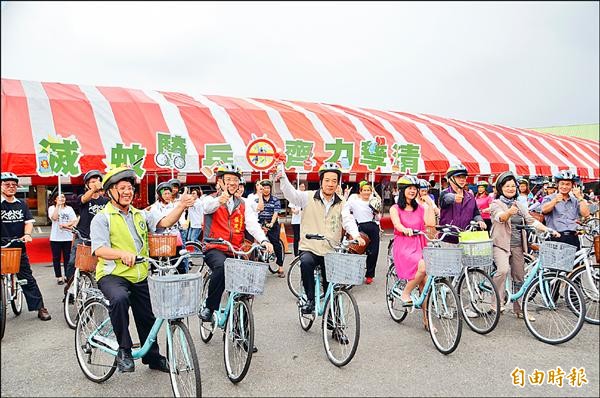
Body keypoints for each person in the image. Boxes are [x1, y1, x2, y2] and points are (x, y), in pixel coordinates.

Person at [90, 166, 195, 373]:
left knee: (149, 315)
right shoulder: (102, 218)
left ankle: (152, 357)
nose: (128, 191)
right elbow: (99, 249)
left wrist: (181, 206)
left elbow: (164, 223)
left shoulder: (140, 215)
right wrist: (121, 254)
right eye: (122, 188)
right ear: (111, 191)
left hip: (140, 274)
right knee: (119, 299)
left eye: (130, 187)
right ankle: (124, 351)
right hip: (113, 274)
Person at [275, 161, 365, 319]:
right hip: (310, 247)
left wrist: (356, 235)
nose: (331, 184)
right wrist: (282, 176)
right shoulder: (307, 197)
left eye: (334, 181)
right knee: (307, 263)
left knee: (332, 285)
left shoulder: (341, 202)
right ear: (321, 181)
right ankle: (309, 299)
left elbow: (348, 219)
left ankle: (334, 322)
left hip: (331, 250)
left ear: (338, 183)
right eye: (327, 180)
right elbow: (291, 194)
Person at [199, 164, 274, 324]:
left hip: (236, 249)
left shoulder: (243, 203)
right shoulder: (210, 199)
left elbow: (252, 224)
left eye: (235, 180)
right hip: (214, 247)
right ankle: (209, 307)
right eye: (228, 180)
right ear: (219, 182)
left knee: (245, 288)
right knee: (221, 267)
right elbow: (207, 208)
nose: (232, 183)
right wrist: (220, 200)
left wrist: (264, 240)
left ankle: (245, 334)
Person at [490, 171, 558, 319]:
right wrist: (508, 212)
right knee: (502, 270)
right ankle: (496, 302)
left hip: (517, 245)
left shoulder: (519, 204)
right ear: (501, 188)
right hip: (500, 244)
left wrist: (548, 229)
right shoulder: (496, 204)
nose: (511, 189)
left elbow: (530, 220)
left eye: (513, 186)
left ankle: (519, 309)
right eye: (507, 186)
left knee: (519, 277)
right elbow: (499, 218)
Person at [1, 171, 51, 320]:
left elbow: (28, 222)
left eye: (14, 185)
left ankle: (40, 307)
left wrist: (27, 235)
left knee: (27, 278)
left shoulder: (21, 204)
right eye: (7, 184)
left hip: (17, 246)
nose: (11, 187)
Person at [389, 175, 436, 330]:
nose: (412, 191)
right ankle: (406, 292)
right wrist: (405, 229)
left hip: (420, 243)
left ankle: (427, 319)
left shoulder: (421, 208)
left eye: (415, 189)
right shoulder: (395, 208)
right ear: (402, 190)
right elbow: (397, 224)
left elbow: (430, 225)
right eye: (409, 188)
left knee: (425, 283)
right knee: (423, 267)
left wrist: (429, 204)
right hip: (404, 245)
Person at [65, 170, 109, 284]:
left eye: (98, 181)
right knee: (73, 263)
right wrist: (94, 188)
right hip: (82, 237)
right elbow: (84, 198)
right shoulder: (83, 198)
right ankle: (70, 288)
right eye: (92, 182)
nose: (95, 183)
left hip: (99, 238)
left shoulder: (106, 201)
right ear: (87, 185)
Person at [541, 170, 590, 250]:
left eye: (568, 184)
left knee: (575, 262)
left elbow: (586, 214)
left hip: (572, 237)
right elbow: (544, 210)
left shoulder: (575, 200)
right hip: (555, 237)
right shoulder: (549, 198)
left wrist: (580, 197)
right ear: (557, 184)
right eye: (562, 184)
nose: (564, 187)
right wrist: (555, 201)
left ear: (573, 186)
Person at [345, 181, 382, 285]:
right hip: (360, 228)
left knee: (373, 252)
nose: (366, 192)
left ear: (371, 192)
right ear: (360, 191)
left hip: (373, 227)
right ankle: (353, 273)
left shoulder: (373, 201)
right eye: (364, 190)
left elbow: (378, 218)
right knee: (356, 251)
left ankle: (369, 275)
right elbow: (345, 209)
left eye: (368, 190)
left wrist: (376, 212)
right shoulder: (354, 201)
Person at [439, 164, 486, 243]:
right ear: (450, 179)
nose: (462, 179)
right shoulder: (444, 193)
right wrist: (453, 198)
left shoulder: (470, 196)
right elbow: (444, 199)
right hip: (448, 238)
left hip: (466, 238)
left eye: (464, 177)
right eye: (459, 177)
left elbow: (475, 212)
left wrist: (480, 220)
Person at [257, 179, 285, 277]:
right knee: (258, 246)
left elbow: (276, 213)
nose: (266, 190)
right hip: (261, 224)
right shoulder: (258, 199)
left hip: (272, 224)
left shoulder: (275, 200)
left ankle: (280, 267)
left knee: (276, 244)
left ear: (270, 189)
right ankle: (260, 267)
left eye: (268, 188)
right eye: (264, 188)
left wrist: (271, 223)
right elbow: (256, 211)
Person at [48, 192, 77, 284]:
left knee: (67, 258)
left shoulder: (69, 209)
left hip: (67, 237)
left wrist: (66, 225)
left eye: (63, 197)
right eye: (59, 197)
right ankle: (59, 277)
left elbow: (74, 220)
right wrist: (58, 206)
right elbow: (54, 218)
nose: (62, 199)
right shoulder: (52, 208)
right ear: (55, 199)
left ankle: (67, 275)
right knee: (56, 258)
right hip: (55, 238)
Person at [289, 182, 306, 257]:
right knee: (296, 237)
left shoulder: (306, 197)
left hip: (304, 220)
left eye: (303, 186)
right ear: (298, 187)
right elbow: (291, 209)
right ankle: (296, 253)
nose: (302, 188)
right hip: (296, 221)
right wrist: (295, 211)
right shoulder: (294, 197)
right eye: (301, 186)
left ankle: (302, 251)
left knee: (303, 237)